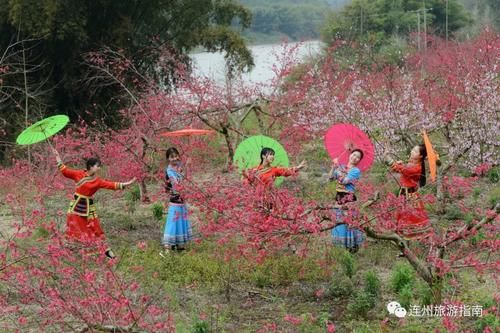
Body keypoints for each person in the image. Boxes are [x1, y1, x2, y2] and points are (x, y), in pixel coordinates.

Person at [52, 147, 136, 259]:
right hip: (76, 206)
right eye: (97, 165)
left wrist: (126, 183)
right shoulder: (78, 174)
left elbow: (110, 185)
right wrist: (57, 157)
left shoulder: (97, 180)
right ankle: (73, 249)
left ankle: (106, 250)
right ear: (91, 166)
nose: (99, 168)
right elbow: (65, 170)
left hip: (88, 207)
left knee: (95, 227)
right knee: (74, 226)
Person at [386, 144, 432, 242]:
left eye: (415, 151)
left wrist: (390, 161)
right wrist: (399, 164)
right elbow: (400, 170)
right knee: (402, 216)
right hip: (403, 193)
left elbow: (405, 171)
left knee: (411, 218)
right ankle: (403, 241)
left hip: (411, 195)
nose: (412, 152)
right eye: (413, 149)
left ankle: (415, 241)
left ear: (420, 156)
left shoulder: (418, 168)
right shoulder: (411, 163)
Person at [242, 147, 306, 211]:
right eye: (270, 154)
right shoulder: (255, 170)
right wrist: (247, 175)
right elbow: (249, 182)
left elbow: (286, 171)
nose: (272, 156)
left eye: (273, 155)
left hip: (269, 199)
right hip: (257, 199)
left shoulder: (274, 170)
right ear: (263, 156)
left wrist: (298, 167)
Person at [329, 149, 365, 253]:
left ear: (359, 160)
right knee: (339, 221)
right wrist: (333, 166)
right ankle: (340, 249)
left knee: (349, 223)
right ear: (350, 155)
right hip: (339, 197)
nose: (355, 158)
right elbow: (331, 178)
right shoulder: (341, 167)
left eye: (358, 157)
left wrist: (338, 168)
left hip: (349, 198)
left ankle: (351, 247)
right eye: (354, 155)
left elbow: (344, 181)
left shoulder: (356, 171)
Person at [160, 147, 193, 256]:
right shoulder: (169, 171)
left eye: (176, 156)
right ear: (168, 159)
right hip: (175, 198)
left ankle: (180, 245)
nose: (175, 159)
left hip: (182, 198)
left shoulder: (179, 167)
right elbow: (176, 185)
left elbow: (186, 179)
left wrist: (187, 167)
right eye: (172, 157)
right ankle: (167, 247)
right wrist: (183, 172)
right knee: (173, 222)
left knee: (181, 221)